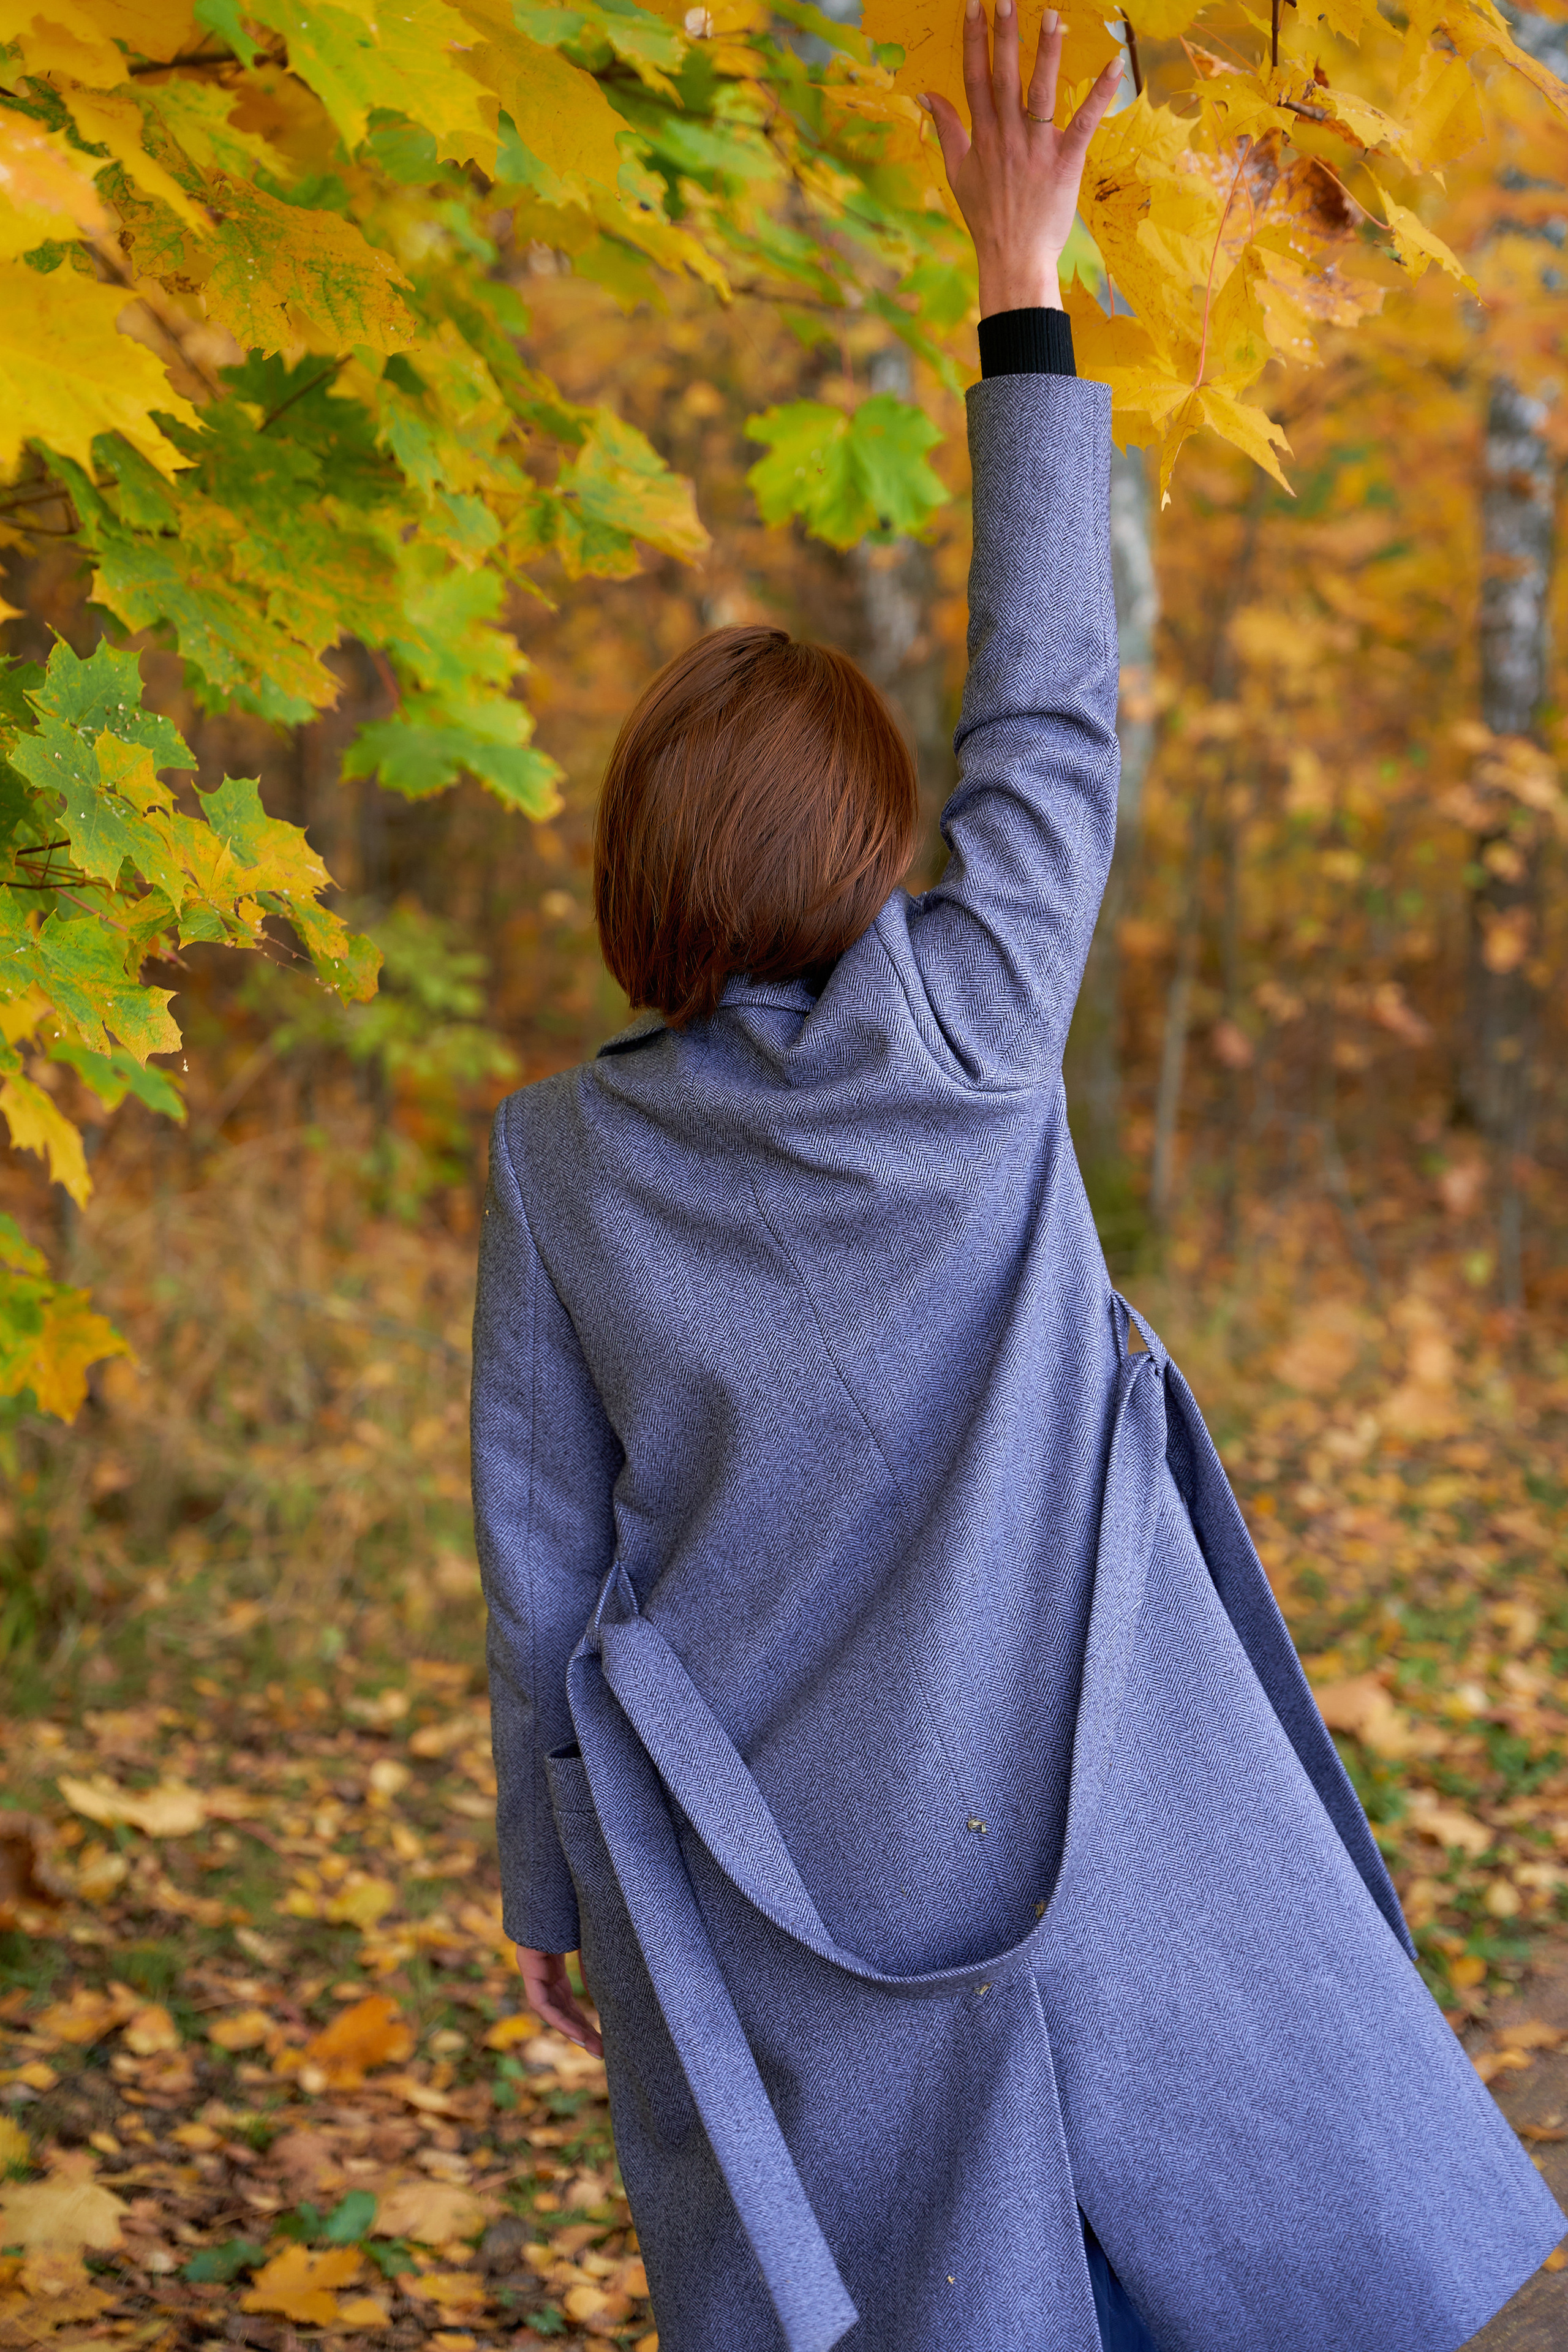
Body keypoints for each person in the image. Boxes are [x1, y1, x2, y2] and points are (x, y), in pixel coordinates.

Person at [471, 8, 1564, 2346]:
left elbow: (543, 1567)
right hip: (1106, 1823)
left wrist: (559, 1886)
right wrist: (1022, 271)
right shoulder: (971, 1034)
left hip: (786, 1876)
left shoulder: (559, 1159)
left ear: (643, 880)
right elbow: (1053, 694)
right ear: (877, 854)